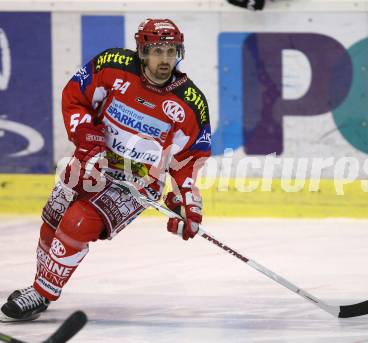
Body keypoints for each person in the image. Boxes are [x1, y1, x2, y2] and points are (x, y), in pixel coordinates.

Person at [1, 18, 211, 321]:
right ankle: (40, 287)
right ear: (142, 50)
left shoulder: (190, 103)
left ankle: (43, 292)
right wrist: (86, 135)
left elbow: (189, 158)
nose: (165, 59)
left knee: (77, 222)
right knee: (52, 219)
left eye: (171, 51)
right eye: (157, 50)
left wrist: (186, 199)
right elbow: (75, 96)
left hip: (138, 183)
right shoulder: (111, 66)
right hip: (92, 161)